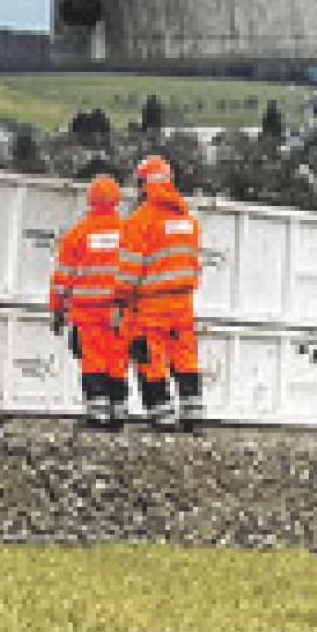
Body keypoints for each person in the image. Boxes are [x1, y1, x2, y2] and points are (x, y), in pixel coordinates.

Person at [115, 153, 204, 431]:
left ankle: (162, 416)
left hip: (151, 305)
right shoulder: (187, 219)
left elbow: (129, 270)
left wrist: (121, 300)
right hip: (183, 304)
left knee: (150, 358)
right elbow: (193, 262)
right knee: (185, 358)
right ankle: (193, 415)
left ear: (144, 183)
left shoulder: (140, 220)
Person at [48, 172, 131, 430]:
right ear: (117, 199)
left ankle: (97, 415)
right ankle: (118, 414)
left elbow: (62, 278)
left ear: (90, 199)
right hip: (119, 312)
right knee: (117, 362)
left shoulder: (77, 233)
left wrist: (57, 310)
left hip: (87, 312)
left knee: (93, 362)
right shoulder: (129, 233)